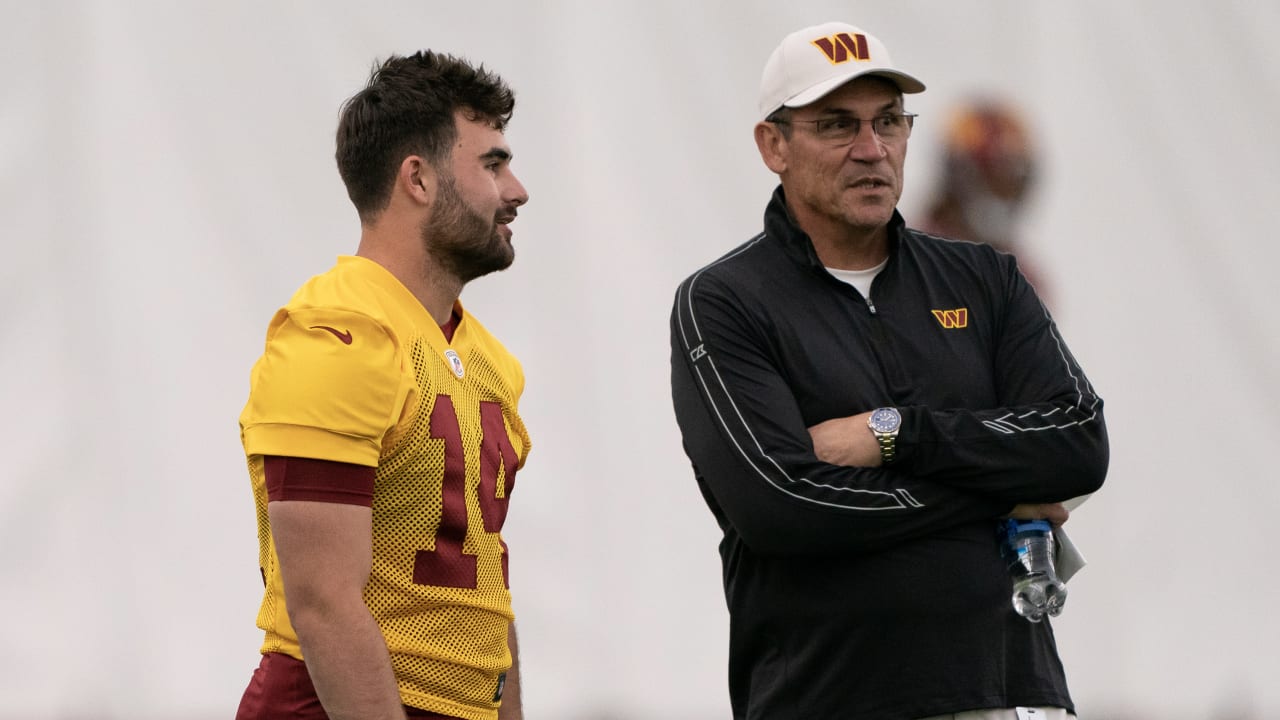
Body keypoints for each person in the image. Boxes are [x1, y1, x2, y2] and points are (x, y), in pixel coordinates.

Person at [669, 21, 1108, 720]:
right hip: (827, 697)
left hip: (1014, 692)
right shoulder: (724, 300)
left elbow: (1079, 446)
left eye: (890, 122)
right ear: (772, 145)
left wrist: (895, 434)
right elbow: (782, 508)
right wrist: (996, 492)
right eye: (837, 125)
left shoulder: (985, 277)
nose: (872, 150)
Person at [235, 50, 531, 720]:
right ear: (418, 179)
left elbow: (486, 593)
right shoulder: (337, 332)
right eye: (492, 163)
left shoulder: (486, 357)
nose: (517, 189)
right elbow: (324, 605)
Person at [920, 99, 1051, 296]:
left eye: (1011, 185)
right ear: (957, 180)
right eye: (990, 180)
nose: (1001, 201)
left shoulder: (1024, 282)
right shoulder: (902, 260)